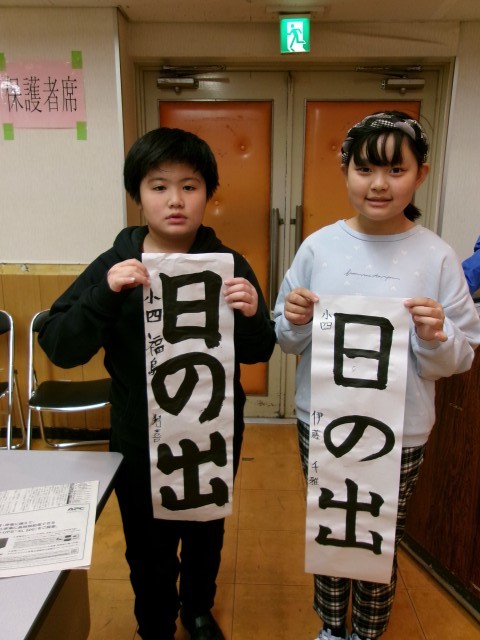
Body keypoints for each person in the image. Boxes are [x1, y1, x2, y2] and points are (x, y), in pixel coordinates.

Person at [38, 127, 276, 640]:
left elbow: (260, 350)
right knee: (147, 545)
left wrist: (253, 314)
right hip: (139, 438)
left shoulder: (229, 265)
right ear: (138, 194)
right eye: (159, 186)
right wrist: (104, 295)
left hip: (212, 434)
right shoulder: (114, 265)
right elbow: (59, 346)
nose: (175, 200)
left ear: (208, 194)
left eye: (189, 186)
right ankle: (155, 624)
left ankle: (197, 610)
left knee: (207, 532)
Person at [273, 111, 480, 640]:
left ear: (421, 174)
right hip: (323, 421)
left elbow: (462, 355)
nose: (379, 184)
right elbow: (287, 338)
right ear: (345, 171)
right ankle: (331, 627)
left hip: (401, 429)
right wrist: (293, 318)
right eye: (365, 169)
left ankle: (367, 632)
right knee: (330, 524)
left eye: (396, 170)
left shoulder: (437, 256)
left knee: (378, 535)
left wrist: (436, 336)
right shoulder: (318, 247)